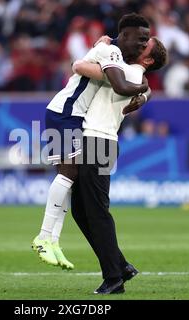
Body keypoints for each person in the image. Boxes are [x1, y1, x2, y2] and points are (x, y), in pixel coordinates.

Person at [32, 14, 151, 270]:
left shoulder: (107, 49)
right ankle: (43, 237)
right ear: (126, 35)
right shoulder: (111, 52)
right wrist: (143, 89)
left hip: (69, 112)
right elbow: (113, 83)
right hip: (67, 111)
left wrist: (144, 91)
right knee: (68, 173)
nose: (144, 44)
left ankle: (53, 241)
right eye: (141, 38)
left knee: (70, 179)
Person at [71, 36, 168, 294]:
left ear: (147, 59)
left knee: (97, 211)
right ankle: (121, 266)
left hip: (98, 141)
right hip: (96, 140)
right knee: (81, 210)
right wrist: (147, 93)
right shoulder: (131, 75)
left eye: (144, 45)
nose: (138, 43)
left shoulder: (126, 73)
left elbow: (80, 66)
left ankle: (113, 277)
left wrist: (101, 47)